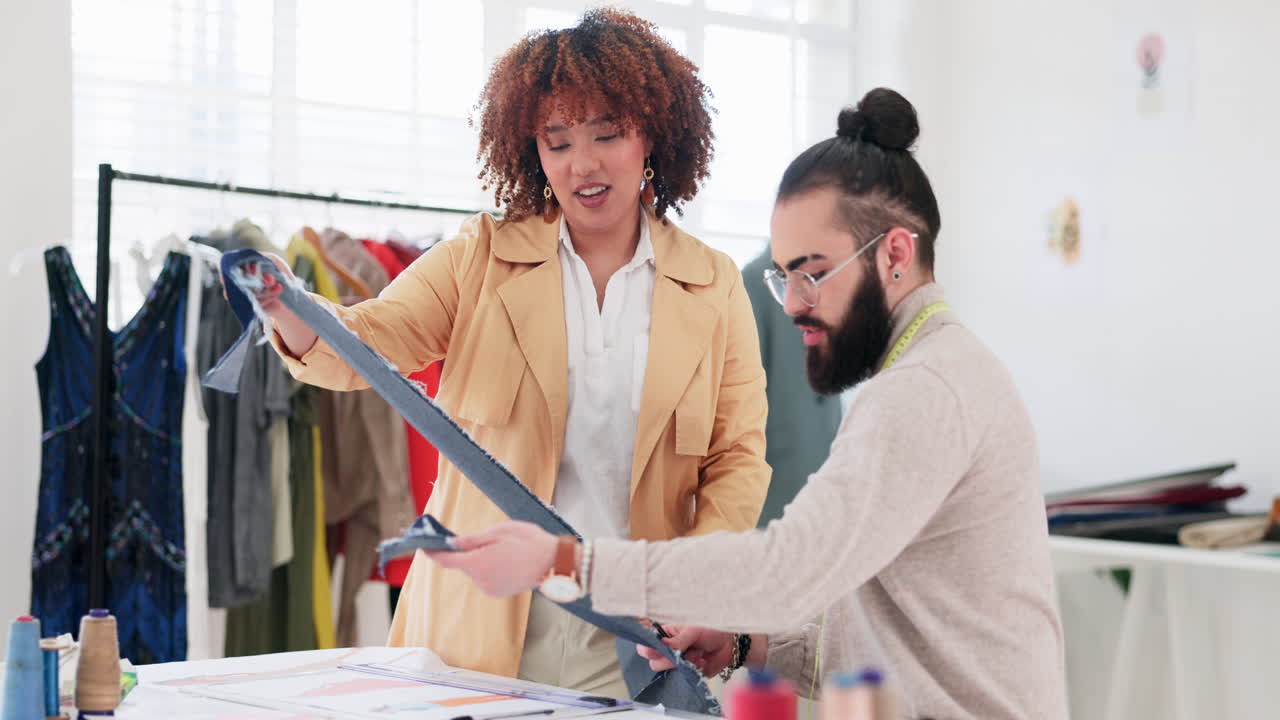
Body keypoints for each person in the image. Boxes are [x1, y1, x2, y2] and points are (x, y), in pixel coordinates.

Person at [426, 88, 1069, 720]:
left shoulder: (925, 392)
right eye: (783, 275)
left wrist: (564, 560)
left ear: (896, 254)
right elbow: (900, 635)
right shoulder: (930, 374)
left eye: (812, 273)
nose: (791, 303)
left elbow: (791, 568)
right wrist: (747, 645)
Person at [250, 7, 770, 699]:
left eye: (606, 135)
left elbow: (737, 459)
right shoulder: (480, 258)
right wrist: (292, 311)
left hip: (629, 631)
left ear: (652, 133)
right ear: (533, 152)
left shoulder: (713, 284)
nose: (582, 164)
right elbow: (371, 344)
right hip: (475, 623)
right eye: (557, 143)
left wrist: (695, 583)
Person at [742, 248, 843, 525]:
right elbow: (744, 399)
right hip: (776, 478)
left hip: (824, 465)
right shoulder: (754, 281)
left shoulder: (829, 276)